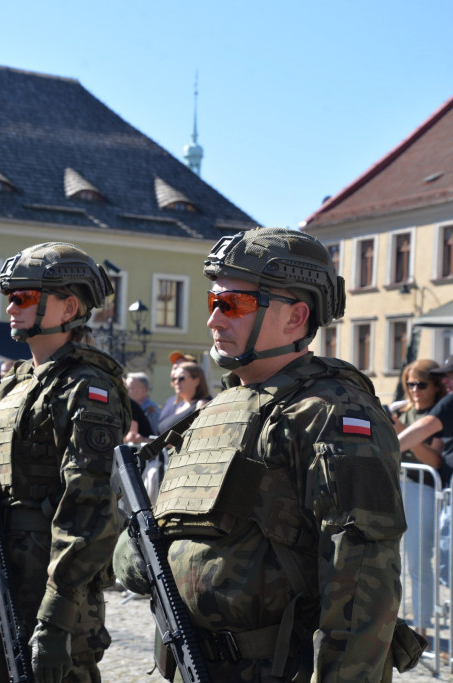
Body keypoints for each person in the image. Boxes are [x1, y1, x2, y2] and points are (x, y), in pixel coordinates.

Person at [114, 227, 407, 681]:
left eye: (233, 305)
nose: (214, 320)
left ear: (295, 317)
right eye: (213, 303)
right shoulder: (219, 409)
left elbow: (364, 573)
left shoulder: (332, 411)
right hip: (192, 661)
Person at [0, 242, 131, 682]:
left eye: (25, 297)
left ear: (69, 305)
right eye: (10, 296)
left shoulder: (86, 386)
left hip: (51, 586)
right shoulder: (17, 383)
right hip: (1, 567)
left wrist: (55, 616)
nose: (11, 307)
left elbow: (88, 509)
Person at [389, 360, 445, 643]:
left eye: (421, 383)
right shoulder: (400, 411)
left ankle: (422, 627)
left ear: (434, 386)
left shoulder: (437, 416)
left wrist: (403, 433)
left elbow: (434, 461)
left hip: (423, 491)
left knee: (419, 562)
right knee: (391, 560)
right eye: (410, 383)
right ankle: (394, 622)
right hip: (396, 489)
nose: (414, 389)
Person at [157, 361, 211, 434]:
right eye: (174, 379)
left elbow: (198, 435)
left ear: (196, 381)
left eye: (181, 378)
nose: (176, 382)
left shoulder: (201, 404)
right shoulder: (177, 404)